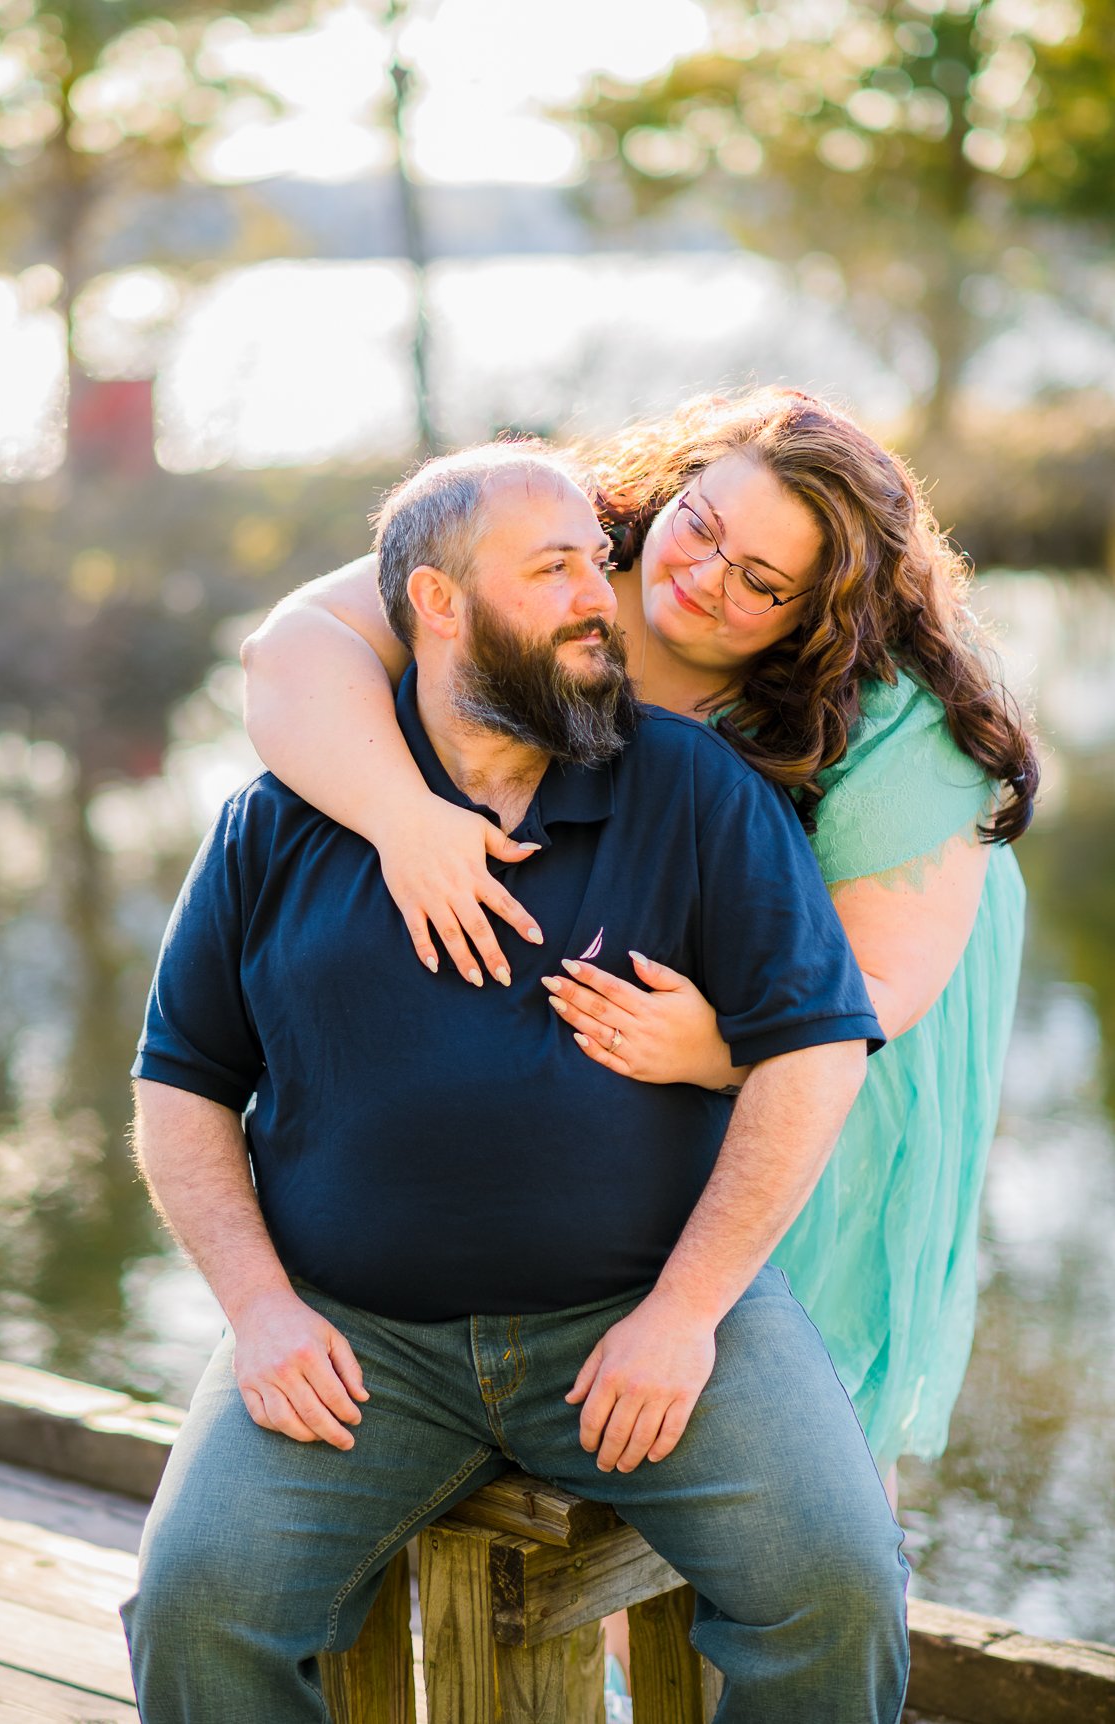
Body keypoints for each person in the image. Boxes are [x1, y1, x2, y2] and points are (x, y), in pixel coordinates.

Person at [124, 443, 909, 1723]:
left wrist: (686, 1309)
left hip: (647, 1313)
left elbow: (812, 1048)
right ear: (437, 603)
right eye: (555, 570)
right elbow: (182, 1089)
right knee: (198, 1607)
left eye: (596, 563)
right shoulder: (276, 823)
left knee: (837, 1586)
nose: (604, 596)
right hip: (353, 1336)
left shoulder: (695, 788)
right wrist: (261, 1311)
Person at [241, 388, 1037, 1481]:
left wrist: (718, 1052)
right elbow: (293, 651)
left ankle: (812, 1537)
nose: (702, 575)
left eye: (760, 585)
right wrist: (403, 817)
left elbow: (879, 979)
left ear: (821, 619)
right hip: (612, 982)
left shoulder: (899, 719)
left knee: (787, 1375)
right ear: (679, 481)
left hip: (824, 1017)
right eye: (701, 525)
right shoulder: (565, 543)